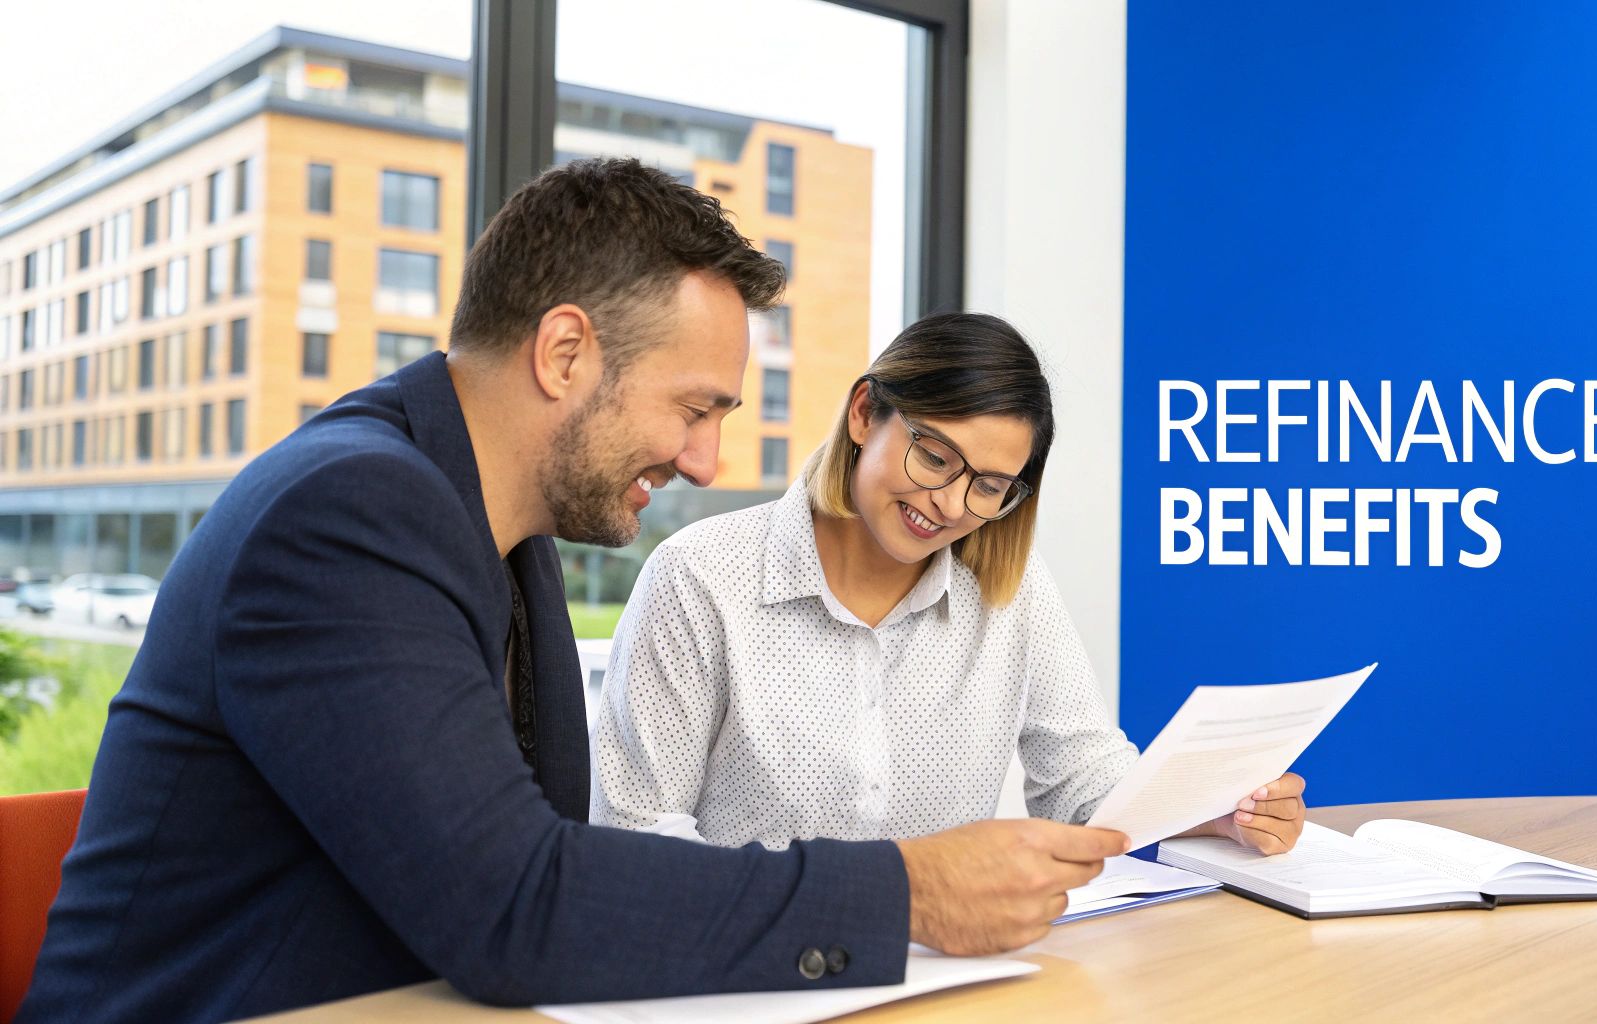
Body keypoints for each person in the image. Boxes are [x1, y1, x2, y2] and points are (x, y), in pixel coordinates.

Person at [19, 160, 1126, 1023]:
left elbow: (538, 864)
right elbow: (516, 899)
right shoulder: (348, 515)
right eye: (694, 408)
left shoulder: (498, 533)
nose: (702, 461)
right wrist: (904, 892)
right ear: (564, 352)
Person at [591, 312, 1307, 854]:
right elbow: (637, 834)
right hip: (753, 980)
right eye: (936, 457)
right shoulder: (701, 577)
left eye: (991, 486)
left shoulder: (1011, 589)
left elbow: (1080, 776)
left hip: (951, 978)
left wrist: (1207, 810)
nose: (952, 505)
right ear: (866, 413)